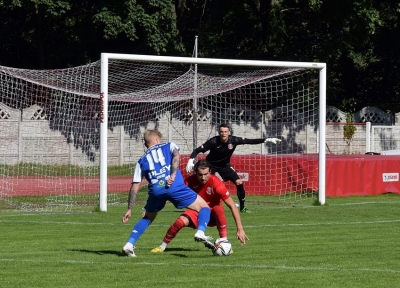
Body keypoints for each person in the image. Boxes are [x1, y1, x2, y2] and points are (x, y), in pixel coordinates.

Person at [121, 130, 211, 257]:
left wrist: (129, 209)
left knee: (147, 217)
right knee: (204, 207)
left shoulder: (141, 160)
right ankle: (200, 232)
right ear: (157, 140)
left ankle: (129, 245)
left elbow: (135, 186)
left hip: (156, 190)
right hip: (173, 185)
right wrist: (173, 174)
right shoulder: (169, 145)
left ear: (146, 143)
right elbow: (176, 156)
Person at [151, 160, 249, 253]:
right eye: (200, 175)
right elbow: (170, 196)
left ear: (210, 172)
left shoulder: (217, 184)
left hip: (213, 215)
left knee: (218, 209)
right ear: (195, 173)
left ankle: (224, 243)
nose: (203, 177)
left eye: (206, 174)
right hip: (197, 210)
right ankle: (162, 246)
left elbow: (232, 205)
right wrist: (151, 209)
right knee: (179, 222)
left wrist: (240, 229)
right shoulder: (189, 182)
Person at [186, 123, 281, 213]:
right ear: (219, 133)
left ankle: (242, 207)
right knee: (204, 183)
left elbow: (250, 141)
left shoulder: (234, 140)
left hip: (225, 165)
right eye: (221, 132)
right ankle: (197, 204)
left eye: (225, 131)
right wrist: (191, 160)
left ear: (229, 132)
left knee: (239, 182)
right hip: (211, 165)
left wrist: (266, 140)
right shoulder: (213, 141)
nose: (223, 134)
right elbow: (197, 150)